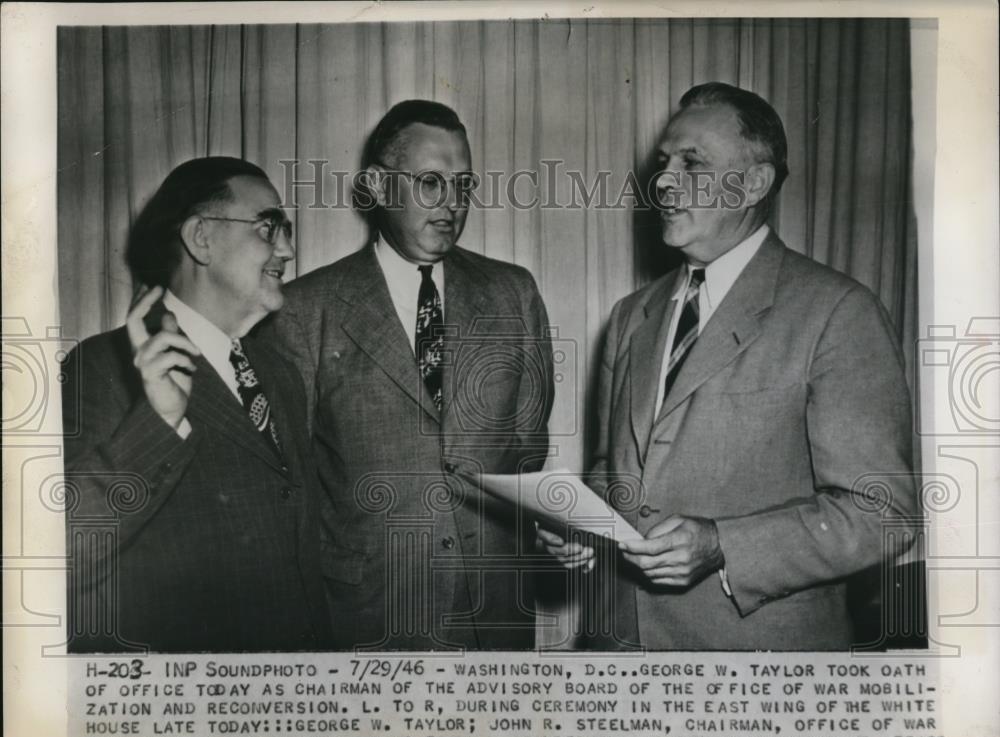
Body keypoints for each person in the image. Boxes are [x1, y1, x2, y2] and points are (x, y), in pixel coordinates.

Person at [540, 82, 917, 650]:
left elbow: (883, 512)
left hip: (755, 675)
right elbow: (613, 472)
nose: (664, 180)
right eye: (664, 162)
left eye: (693, 163)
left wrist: (723, 545)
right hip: (616, 654)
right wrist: (583, 523)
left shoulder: (838, 312)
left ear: (754, 183)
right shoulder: (629, 317)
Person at [264, 100, 554, 650]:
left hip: (494, 618)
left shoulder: (513, 293)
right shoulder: (303, 310)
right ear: (376, 186)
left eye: (462, 185)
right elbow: (290, 488)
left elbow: (526, 448)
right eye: (429, 183)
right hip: (367, 618)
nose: (450, 204)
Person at [62, 157, 332, 652]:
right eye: (269, 227)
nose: (289, 250)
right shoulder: (103, 367)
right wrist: (159, 420)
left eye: (287, 231)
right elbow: (60, 555)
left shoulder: (280, 374)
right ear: (201, 238)